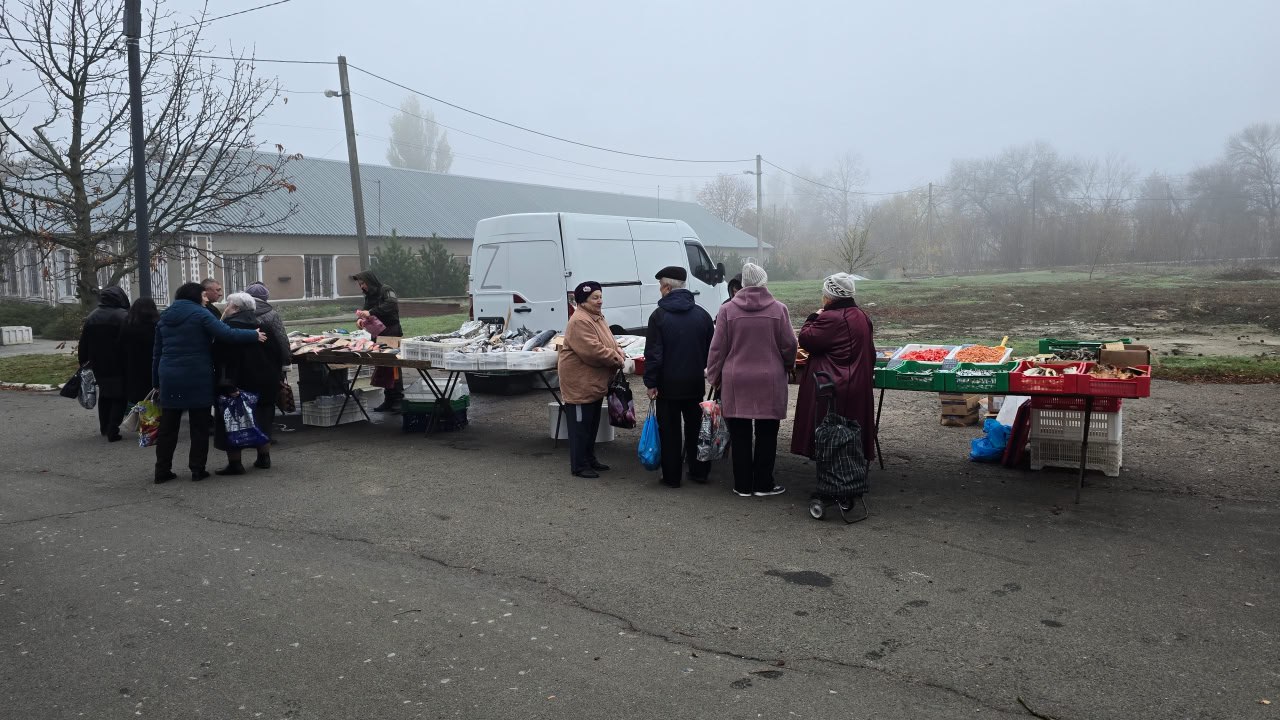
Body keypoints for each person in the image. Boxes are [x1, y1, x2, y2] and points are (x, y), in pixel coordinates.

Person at [152, 282, 266, 484]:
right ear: (196, 296)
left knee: (168, 426)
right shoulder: (201, 314)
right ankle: (197, 469)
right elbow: (227, 334)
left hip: (169, 375)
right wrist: (254, 334)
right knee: (199, 425)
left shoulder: (165, 316)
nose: (207, 299)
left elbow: (157, 352)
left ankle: (162, 470)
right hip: (197, 374)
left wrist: (156, 381)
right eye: (204, 296)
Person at [705, 263, 797, 498]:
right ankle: (764, 484)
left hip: (737, 381)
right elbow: (790, 345)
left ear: (743, 284)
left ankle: (743, 484)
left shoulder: (727, 311)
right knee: (767, 433)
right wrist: (788, 365)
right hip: (771, 380)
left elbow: (717, 349)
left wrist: (714, 376)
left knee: (740, 434)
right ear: (764, 282)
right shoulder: (779, 309)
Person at [791, 273, 877, 465]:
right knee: (850, 434)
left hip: (834, 386)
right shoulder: (862, 316)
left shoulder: (831, 318)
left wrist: (814, 316)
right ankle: (849, 471)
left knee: (830, 434)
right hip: (857, 383)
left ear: (829, 296)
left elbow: (806, 339)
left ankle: (832, 480)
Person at [643, 266, 715, 488]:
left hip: (668, 385)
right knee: (695, 429)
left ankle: (672, 477)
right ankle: (699, 472)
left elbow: (654, 354)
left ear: (666, 287)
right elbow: (711, 350)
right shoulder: (702, 315)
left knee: (670, 431)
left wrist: (651, 382)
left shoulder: (659, 317)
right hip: (694, 383)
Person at [557, 281, 624, 479]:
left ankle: (590, 458)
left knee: (591, 423)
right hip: (580, 384)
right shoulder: (579, 320)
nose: (599, 301)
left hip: (593, 383)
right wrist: (617, 358)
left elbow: (607, 340)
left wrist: (617, 348)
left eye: (600, 296)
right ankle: (579, 465)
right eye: (594, 298)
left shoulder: (596, 317)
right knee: (580, 426)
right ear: (582, 301)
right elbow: (593, 351)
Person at [212, 293, 284, 475]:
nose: (225, 308)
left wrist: (225, 384)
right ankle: (264, 458)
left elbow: (220, 359)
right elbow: (278, 355)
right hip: (265, 381)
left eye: (228, 305)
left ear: (235, 308)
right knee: (264, 417)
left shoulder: (226, 329)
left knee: (231, 421)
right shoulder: (264, 327)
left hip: (237, 382)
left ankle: (235, 463)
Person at [78, 286, 130, 441]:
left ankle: (105, 427)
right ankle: (113, 428)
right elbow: (128, 342)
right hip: (119, 362)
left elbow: (84, 343)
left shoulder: (92, 316)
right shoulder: (123, 316)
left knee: (105, 394)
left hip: (98, 362)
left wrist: (84, 362)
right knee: (120, 395)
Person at [352, 270, 403, 412]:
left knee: (393, 365)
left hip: (391, 332)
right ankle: (389, 399)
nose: (362, 287)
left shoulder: (386, 290)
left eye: (363, 283)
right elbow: (365, 311)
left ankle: (398, 398)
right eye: (360, 284)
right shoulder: (369, 296)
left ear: (370, 281)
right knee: (382, 366)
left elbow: (391, 305)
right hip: (376, 334)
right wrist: (360, 320)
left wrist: (371, 312)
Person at [119, 297, 160, 412]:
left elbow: (121, 345)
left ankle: (142, 420)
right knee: (152, 395)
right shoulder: (157, 325)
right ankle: (151, 423)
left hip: (133, 365)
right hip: (152, 365)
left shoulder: (127, 324)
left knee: (139, 395)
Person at [245, 281, 291, 381]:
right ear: (265, 297)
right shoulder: (272, 314)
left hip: (244, 363)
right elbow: (281, 339)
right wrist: (287, 361)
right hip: (270, 362)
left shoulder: (237, 312)